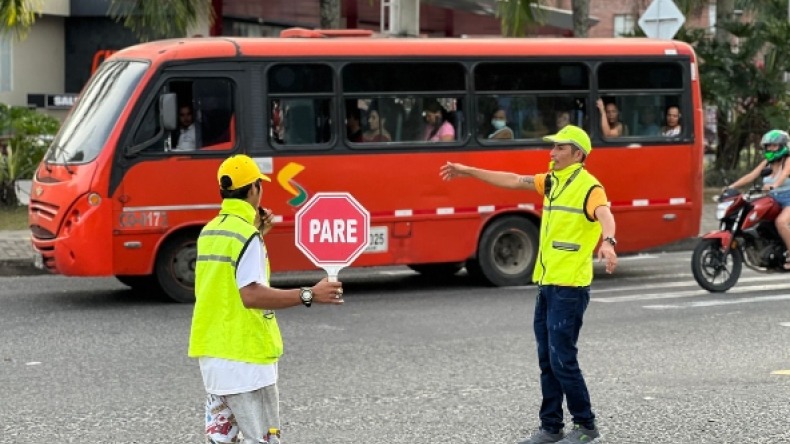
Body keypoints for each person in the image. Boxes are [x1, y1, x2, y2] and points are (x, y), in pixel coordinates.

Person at [440, 125, 617, 444]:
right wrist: (469, 171)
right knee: (547, 359)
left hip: (570, 288)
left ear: (577, 154)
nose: (552, 153)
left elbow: (604, 214)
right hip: (547, 284)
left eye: (560, 148)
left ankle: (586, 426)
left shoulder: (590, 187)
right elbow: (511, 179)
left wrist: (609, 241)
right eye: (552, 148)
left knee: (563, 358)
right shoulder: (552, 181)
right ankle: (550, 426)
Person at [188, 154, 345, 443]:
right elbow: (250, 295)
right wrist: (309, 294)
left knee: (223, 439)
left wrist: (258, 234)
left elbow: (223, 284)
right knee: (263, 438)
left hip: (213, 359)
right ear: (253, 190)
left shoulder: (210, 231)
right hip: (247, 361)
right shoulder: (247, 237)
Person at [725, 129, 790, 269]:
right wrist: (731, 187)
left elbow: (784, 175)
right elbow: (751, 176)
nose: (770, 149)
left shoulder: (788, 160)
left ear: (782, 146)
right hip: (773, 199)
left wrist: (774, 185)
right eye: (768, 146)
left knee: (781, 222)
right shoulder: (767, 162)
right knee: (756, 217)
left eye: (774, 146)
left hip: (788, 199)